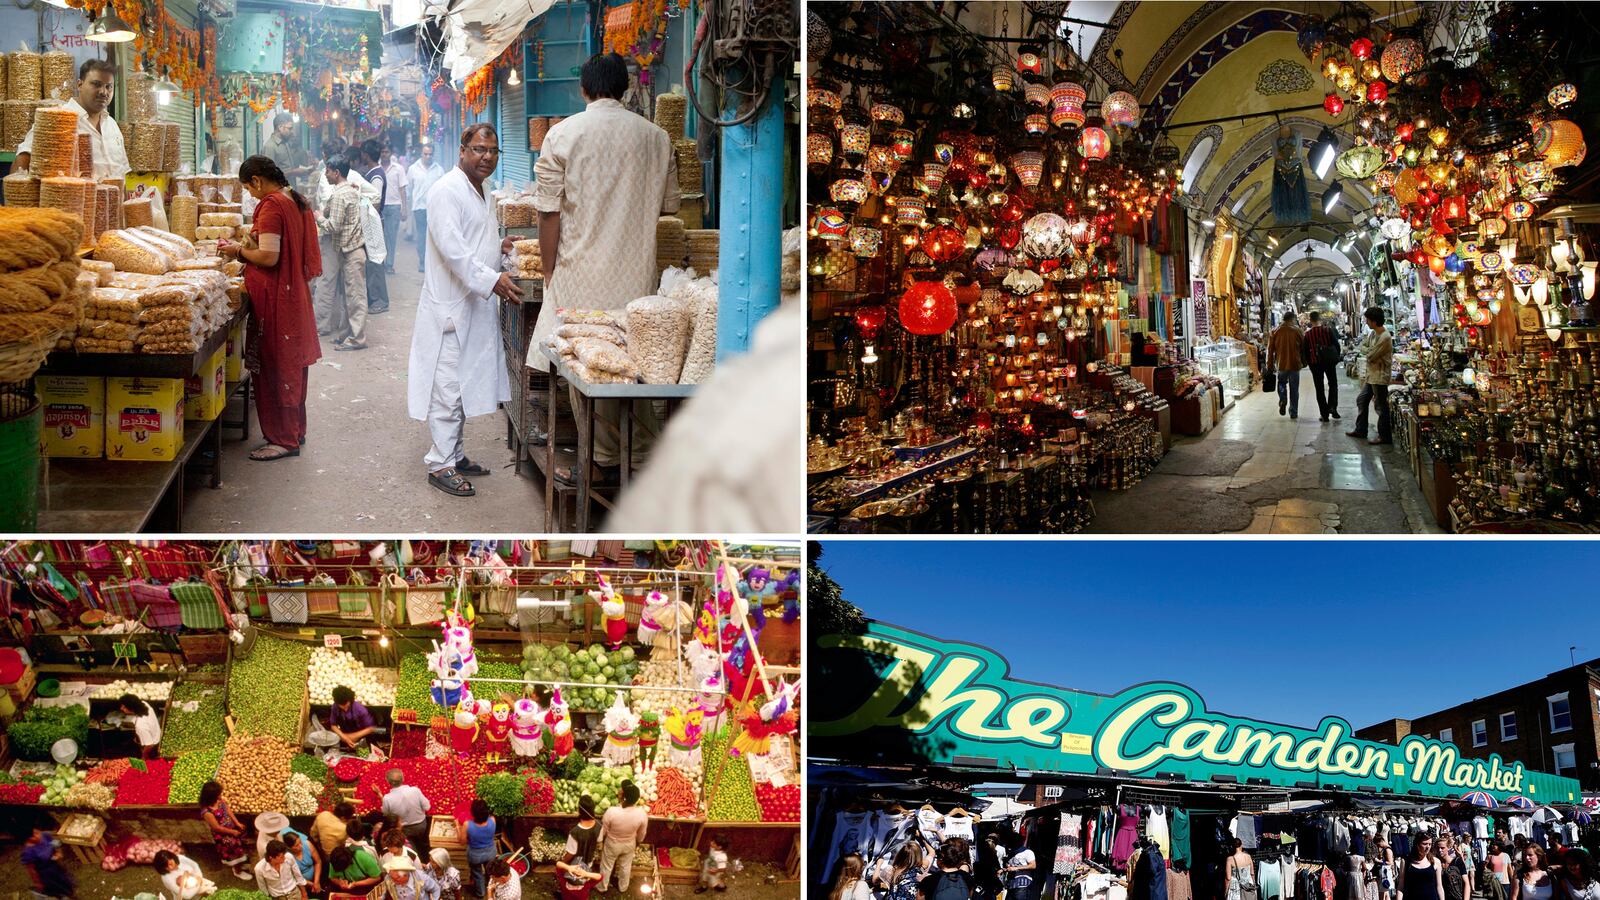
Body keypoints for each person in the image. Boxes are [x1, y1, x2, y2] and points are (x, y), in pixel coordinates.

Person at [530, 51, 680, 487]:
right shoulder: (657, 138)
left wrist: (549, 270)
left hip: (579, 272)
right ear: (627, 88)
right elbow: (670, 207)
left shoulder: (562, 136)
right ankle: (642, 453)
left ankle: (601, 455)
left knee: (586, 367)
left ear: (583, 89)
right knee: (635, 366)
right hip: (637, 274)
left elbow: (547, 214)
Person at [406, 122, 523, 499]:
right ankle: (440, 463)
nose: (486, 157)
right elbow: (454, 250)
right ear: (462, 150)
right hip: (451, 308)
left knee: (462, 383)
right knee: (447, 387)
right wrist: (493, 280)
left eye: (492, 151)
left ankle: (454, 454)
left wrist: (499, 246)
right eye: (478, 149)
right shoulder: (446, 191)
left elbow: (473, 239)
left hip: (472, 305)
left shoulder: (483, 190)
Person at [220, 156, 322, 462]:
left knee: (277, 366)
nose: (251, 196)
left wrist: (237, 250)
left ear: (257, 180)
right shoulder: (294, 198)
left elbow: (268, 257)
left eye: (249, 189)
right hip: (293, 294)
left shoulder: (271, 205)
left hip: (278, 299)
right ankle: (295, 431)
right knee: (291, 367)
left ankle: (282, 439)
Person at [14, 58, 130, 179]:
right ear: (79, 84)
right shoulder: (58, 118)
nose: (103, 92)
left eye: (108, 86)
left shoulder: (111, 125)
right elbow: (24, 157)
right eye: (96, 84)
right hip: (72, 196)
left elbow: (122, 170)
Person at [315, 156, 370, 351]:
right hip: (350, 251)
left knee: (355, 298)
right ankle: (347, 334)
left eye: (328, 171)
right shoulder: (349, 190)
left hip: (352, 252)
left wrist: (320, 217)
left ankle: (357, 339)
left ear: (336, 173)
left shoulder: (340, 194)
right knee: (350, 297)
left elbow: (334, 226)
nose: (325, 174)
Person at [1348, 306, 1394, 445]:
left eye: (1367, 320)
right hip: (1371, 375)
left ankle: (1385, 437)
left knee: (1380, 407)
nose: (1366, 322)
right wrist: (1369, 351)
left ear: (1374, 321)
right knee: (1362, 400)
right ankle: (1361, 430)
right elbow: (1363, 347)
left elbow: (1371, 356)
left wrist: (1369, 352)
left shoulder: (1385, 337)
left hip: (1379, 376)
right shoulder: (1373, 334)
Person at [356, 141, 392, 315]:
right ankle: (375, 298)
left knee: (375, 262)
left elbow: (374, 201)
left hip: (373, 222)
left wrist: (361, 202)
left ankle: (379, 300)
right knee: (372, 262)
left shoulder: (376, 175)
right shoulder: (372, 173)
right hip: (371, 221)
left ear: (366, 155)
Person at [599, 780, 649, 893]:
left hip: (612, 844)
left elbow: (604, 830)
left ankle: (602, 887)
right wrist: (638, 842)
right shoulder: (642, 814)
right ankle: (623, 887)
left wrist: (600, 841)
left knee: (606, 866)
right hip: (629, 843)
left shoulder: (612, 811)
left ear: (623, 797)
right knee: (625, 867)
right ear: (637, 799)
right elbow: (642, 834)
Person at [200, 780, 253, 881]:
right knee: (234, 855)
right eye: (218, 794)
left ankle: (240, 864)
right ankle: (237, 871)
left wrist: (236, 823)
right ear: (211, 796)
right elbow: (217, 828)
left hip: (232, 829)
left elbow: (228, 810)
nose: (220, 796)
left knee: (239, 850)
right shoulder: (207, 812)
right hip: (224, 837)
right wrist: (232, 832)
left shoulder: (219, 800)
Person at [557, 795, 604, 900]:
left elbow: (571, 853)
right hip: (588, 863)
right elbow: (599, 842)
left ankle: (568, 893)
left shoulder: (575, 832)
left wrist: (563, 862)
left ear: (580, 811)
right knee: (584, 882)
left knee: (570, 881)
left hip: (574, 866)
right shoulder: (599, 825)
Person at [407, 141, 445, 273]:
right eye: (425, 154)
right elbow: (409, 188)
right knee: (422, 236)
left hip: (435, 209)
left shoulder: (439, 170)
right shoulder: (413, 169)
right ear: (421, 154)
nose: (428, 156)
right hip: (419, 208)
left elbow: (443, 190)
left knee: (435, 236)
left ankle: (434, 262)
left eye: (430, 154)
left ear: (433, 154)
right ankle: (422, 262)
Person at [1302, 310, 1343, 422]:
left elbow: (1305, 351)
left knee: (1319, 389)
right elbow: (1336, 345)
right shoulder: (1327, 330)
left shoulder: (1308, 334)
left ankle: (1324, 415)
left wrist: (1310, 364)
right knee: (1333, 384)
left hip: (1316, 364)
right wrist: (1336, 358)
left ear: (1310, 320)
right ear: (1320, 319)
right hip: (1329, 362)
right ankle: (1333, 408)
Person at [382, 768, 433, 858]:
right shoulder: (415, 790)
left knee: (411, 849)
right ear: (403, 779)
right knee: (423, 844)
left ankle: (417, 861)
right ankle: (426, 857)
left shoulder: (387, 798)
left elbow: (386, 815)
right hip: (421, 825)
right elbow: (427, 807)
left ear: (388, 782)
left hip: (404, 829)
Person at [1267, 311, 1306, 419]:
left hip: (1281, 363)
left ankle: (1283, 398)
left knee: (1281, 383)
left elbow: (1270, 350)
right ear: (1292, 319)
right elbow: (1303, 349)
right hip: (1295, 364)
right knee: (1294, 389)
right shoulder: (1298, 331)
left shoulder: (1275, 331)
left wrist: (1269, 365)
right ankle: (1293, 412)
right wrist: (1304, 362)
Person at [264, 113, 315, 194]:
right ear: (280, 127)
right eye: (290, 128)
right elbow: (269, 176)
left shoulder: (285, 143)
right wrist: (293, 172)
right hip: (279, 194)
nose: (292, 132)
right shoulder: (270, 147)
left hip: (289, 190)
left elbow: (286, 169)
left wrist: (304, 171)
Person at [22, 822, 76, 899]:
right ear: (28, 840)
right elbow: (31, 868)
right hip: (45, 872)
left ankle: (69, 894)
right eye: (33, 836)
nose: (37, 836)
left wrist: (58, 852)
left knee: (64, 881)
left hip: (54, 865)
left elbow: (55, 843)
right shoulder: (29, 852)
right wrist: (37, 882)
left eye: (36, 832)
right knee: (55, 887)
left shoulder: (45, 835)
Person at [380, 142, 409, 275]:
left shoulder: (398, 169)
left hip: (394, 206)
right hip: (379, 207)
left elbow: (402, 189)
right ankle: (381, 263)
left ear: (390, 153)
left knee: (391, 237)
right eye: (382, 152)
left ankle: (389, 264)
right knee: (380, 237)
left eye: (386, 152)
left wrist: (404, 208)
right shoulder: (376, 168)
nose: (384, 154)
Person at [465, 797, 498, 896]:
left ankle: (481, 893)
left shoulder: (468, 825)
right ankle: (491, 889)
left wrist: (458, 827)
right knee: (490, 871)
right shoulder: (493, 820)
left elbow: (462, 841)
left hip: (475, 855)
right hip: (490, 852)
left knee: (477, 873)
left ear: (473, 813)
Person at [1402, 833, 1445, 900]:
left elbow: (1439, 886)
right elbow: (1400, 887)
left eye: (1430, 844)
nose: (1428, 847)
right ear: (1417, 844)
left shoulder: (1435, 861)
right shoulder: (1406, 861)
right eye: (1425, 844)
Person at [118, 692, 162, 758]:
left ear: (131, 709)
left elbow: (149, 745)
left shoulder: (140, 725)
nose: (121, 708)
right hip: (156, 734)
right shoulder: (144, 704)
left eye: (124, 707)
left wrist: (144, 755)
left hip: (153, 746)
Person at [283, 829, 321, 897]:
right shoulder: (287, 857)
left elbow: (318, 862)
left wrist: (316, 881)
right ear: (289, 847)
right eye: (296, 845)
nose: (301, 846)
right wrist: (311, 884)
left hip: (315, 879)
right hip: (299, 886)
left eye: (300, 842)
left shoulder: (307, 844)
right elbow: (293, 877)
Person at [973, 833, 1003, 899]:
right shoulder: (992, 857)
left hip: (980, 885)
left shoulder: (978, 859)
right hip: (990, 885)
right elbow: (998, 869)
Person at [1375, 835, 1398, 900]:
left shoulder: (1388, 850)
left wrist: (1378, 861)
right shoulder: (1385, 849)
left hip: (1385, 873)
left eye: (1378, 844)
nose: (1378, 846)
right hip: (1385, 872)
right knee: (1386, 893)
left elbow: (1390, 862)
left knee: (1382, 892)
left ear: (1381, 841)